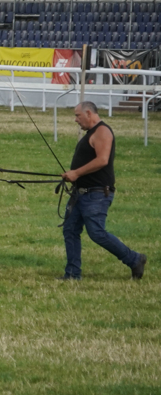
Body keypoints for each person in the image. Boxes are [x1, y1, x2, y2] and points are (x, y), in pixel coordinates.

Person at [59, 102, 146, 281]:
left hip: (96, 194)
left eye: (77, 115)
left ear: (88, 113)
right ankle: (72, 274)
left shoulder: (102, 131)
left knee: (97, 233)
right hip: (80, 193)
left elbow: (102, 160)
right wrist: (73, 176)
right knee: (70, 230)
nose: (76, 120)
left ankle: (135, 259)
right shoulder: (91, 133)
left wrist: (76, 173)